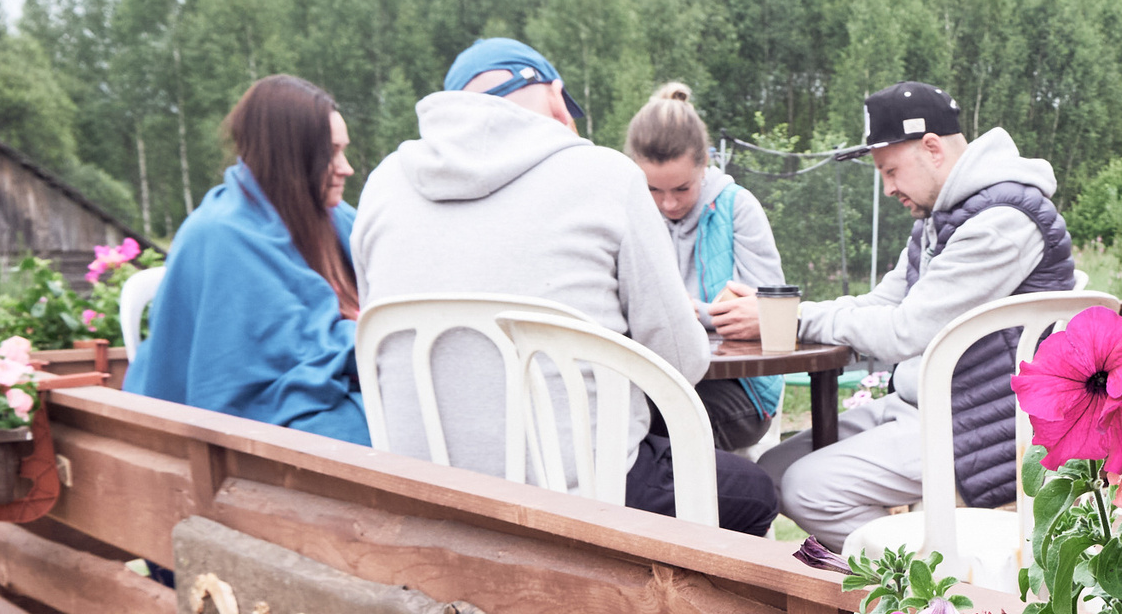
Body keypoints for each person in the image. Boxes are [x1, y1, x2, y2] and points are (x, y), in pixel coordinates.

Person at [350, 38, 778, 534]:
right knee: (753, 492)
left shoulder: (381, 186)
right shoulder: (605, 174)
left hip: (427, 495)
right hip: (585, 497)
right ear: (556, 98)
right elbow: (682, 362)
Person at [715, 82, 1076, 550]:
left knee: (809, 489)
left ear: (931, 148)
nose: (887, 188)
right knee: (771, 473)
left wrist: (791, 323)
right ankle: (913, 572)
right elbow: (880, 303)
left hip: (987, 424)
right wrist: (781, 314)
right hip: (926, 404)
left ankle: (936, 589)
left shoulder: (1003, 221)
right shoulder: (945, 218)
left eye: (890, 170)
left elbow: (906, 331)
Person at [124, 75, 369, 443]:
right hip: (257, 417)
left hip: (342, 384)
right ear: (291, 156)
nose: (346, 167)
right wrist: (372, 336)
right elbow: (273, 366)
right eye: (331, 153)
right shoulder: (221, 234)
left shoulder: (337, 218)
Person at [625, 82, 787, 452]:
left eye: (681, 189)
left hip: (739, 387)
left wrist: (679, 310)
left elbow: (767, 311)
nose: (667, 204)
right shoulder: (627, 213)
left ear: (704, 165)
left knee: (651, 427)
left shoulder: (737, 208)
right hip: (655, 378)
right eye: (653, 190)